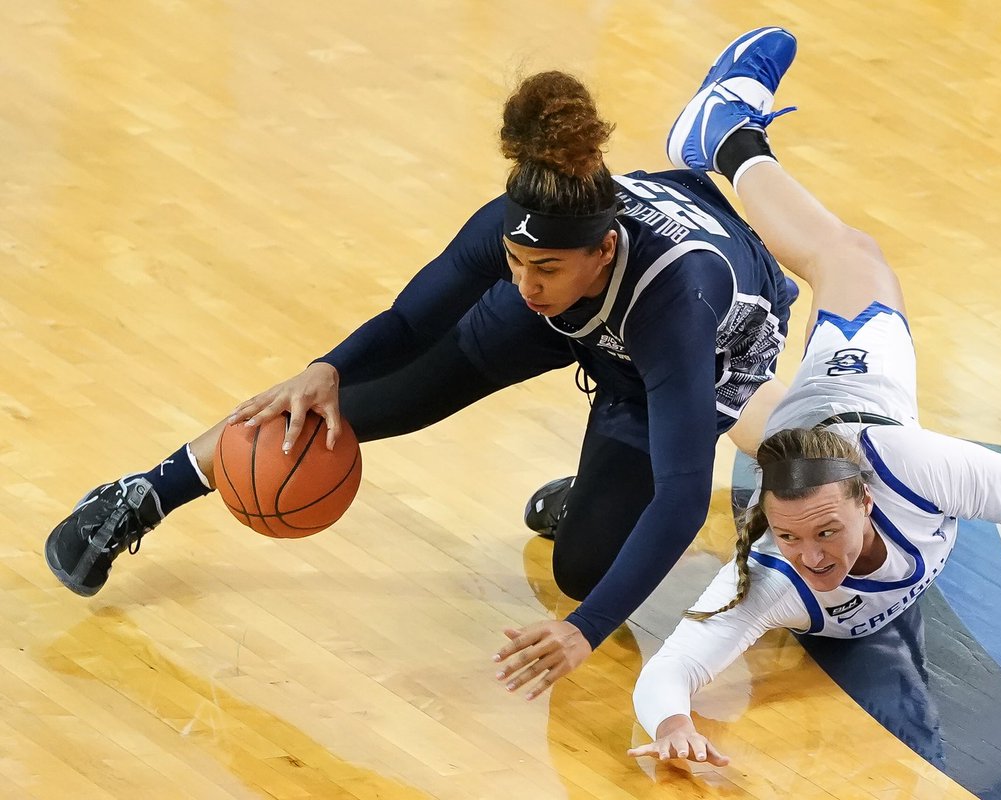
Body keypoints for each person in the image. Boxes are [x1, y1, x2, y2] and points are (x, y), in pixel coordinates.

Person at [43, 31, 805, 697]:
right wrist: (329, 367)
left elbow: (679, 494)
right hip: (589, 316)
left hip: (688, 347)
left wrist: (587, 628)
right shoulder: (526, 252)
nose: (524, 281)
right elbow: (411, 321)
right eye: (514, 261)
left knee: (584, 575)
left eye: (543, 267)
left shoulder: (676, 305)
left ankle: (729, 138)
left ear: (602, 250)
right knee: (339, 409)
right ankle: (143, 493)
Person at [626, 29, 1001, 765]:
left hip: (861, 401)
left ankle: (725, 139)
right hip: (825, 427)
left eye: (824, 533)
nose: (809, 556)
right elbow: (671, 668)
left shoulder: (901, 463)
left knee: (842, 263)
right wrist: (672, 723)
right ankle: (722, 150)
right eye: (794, 536)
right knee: (813, 308)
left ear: (869, 499)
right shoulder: (771, 576)